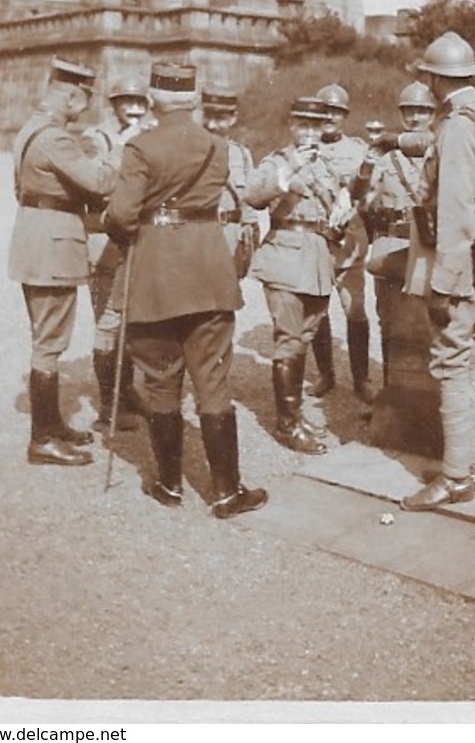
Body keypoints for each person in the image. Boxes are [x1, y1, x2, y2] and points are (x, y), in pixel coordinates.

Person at [103, 62, 267, 520]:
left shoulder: (140, 146)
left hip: (154, 275)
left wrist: (121, 227)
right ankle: (227, 493)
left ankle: (170, 484)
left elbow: (120, 214)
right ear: (193, 99)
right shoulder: (217, 146)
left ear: (153, 99)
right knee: (213, 380)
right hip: (208, 273)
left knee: (160, 382)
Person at [396, 32, 475, 512]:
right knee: (467, 362)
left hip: (454, 266)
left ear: (436, 79)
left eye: (427, 78)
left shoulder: (457, 126)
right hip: (474, 258)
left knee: (453, 363)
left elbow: (455, 208)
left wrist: (442, 283)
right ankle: (468, 467)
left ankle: (456, 477)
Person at [8, 57, 123, 467]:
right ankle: (42, 440)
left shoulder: (31, 129)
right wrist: (121, 150)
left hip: (37, 238)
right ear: (72, 96)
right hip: (51, 246)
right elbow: (100, 181)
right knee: (50, 343)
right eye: (83, 99)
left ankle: (52, 424)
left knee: (48, 338)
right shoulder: (55, 138)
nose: (85, 108)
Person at [244, 97, 344, 455]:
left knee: (304, 337)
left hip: (318, 259)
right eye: (303, 124)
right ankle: (287, 425)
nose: (309, 132)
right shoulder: (277, 162)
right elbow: (252, 195)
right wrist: (288, 173)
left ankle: (295, 414)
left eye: (316, 126)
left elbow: (339, 202)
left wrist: (345, 205)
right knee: (289, 339)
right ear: (291, 126)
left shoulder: (328, 166)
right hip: (285, 256)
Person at [82, 77, 152, 432]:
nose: (135, 109)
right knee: (108, 324)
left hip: (141, 242)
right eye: (127, 102)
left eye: (140, 101)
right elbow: (93, 182)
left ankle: (127, 390)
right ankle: (108, 404)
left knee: (134, 322)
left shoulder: (149, 135)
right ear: (114, 104)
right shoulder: (97, 138)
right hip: (105, 244)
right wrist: (124, 145)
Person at [355, 82, 436, 384]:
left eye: (422, 111)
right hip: (390, 245)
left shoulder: (439, 154)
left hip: (425, 246)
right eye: (409, 111)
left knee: (428, 322)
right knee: (389, 322)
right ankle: (391, 392)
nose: (415, 117)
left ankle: (422, 395)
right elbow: (361, 198)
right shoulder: (386, 156)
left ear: (432, 115)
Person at [311, 83, 375, 405]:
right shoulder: (305, 148)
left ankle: (361, 378)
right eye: (324, 110)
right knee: (317, 310)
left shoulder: (359, 149)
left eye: (336, 111)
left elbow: (370, 192)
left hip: (349, 243)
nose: (330, 117)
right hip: (316, 242)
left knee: (356, 310)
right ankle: (326, 374)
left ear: (345, 116)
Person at [200, 90, 261, 278]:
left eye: (219, 118)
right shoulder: (188, 151)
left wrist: (250, 234)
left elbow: (249, 201)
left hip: (230, 237)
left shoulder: (242, 155)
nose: (211, 124)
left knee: (225, 301)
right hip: (197, 234)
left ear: (233, 118)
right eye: (207, 116)